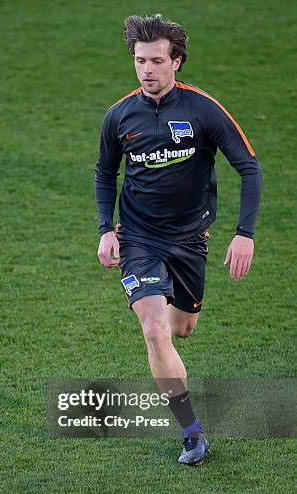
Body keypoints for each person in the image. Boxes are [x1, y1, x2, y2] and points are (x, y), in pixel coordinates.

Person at [95, 15, 262, 464]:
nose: (146, 70)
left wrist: (244, 234)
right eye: (138, 60)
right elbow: (104, 173)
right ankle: (192, 434)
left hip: (190, 238)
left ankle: (167, 355)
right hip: (139, 237)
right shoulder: (119, 115)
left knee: (179, 329)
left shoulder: (203, 110)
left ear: (177, 62)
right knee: (153, 330)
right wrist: (106, 229)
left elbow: (249, 166)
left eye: (155, 60)